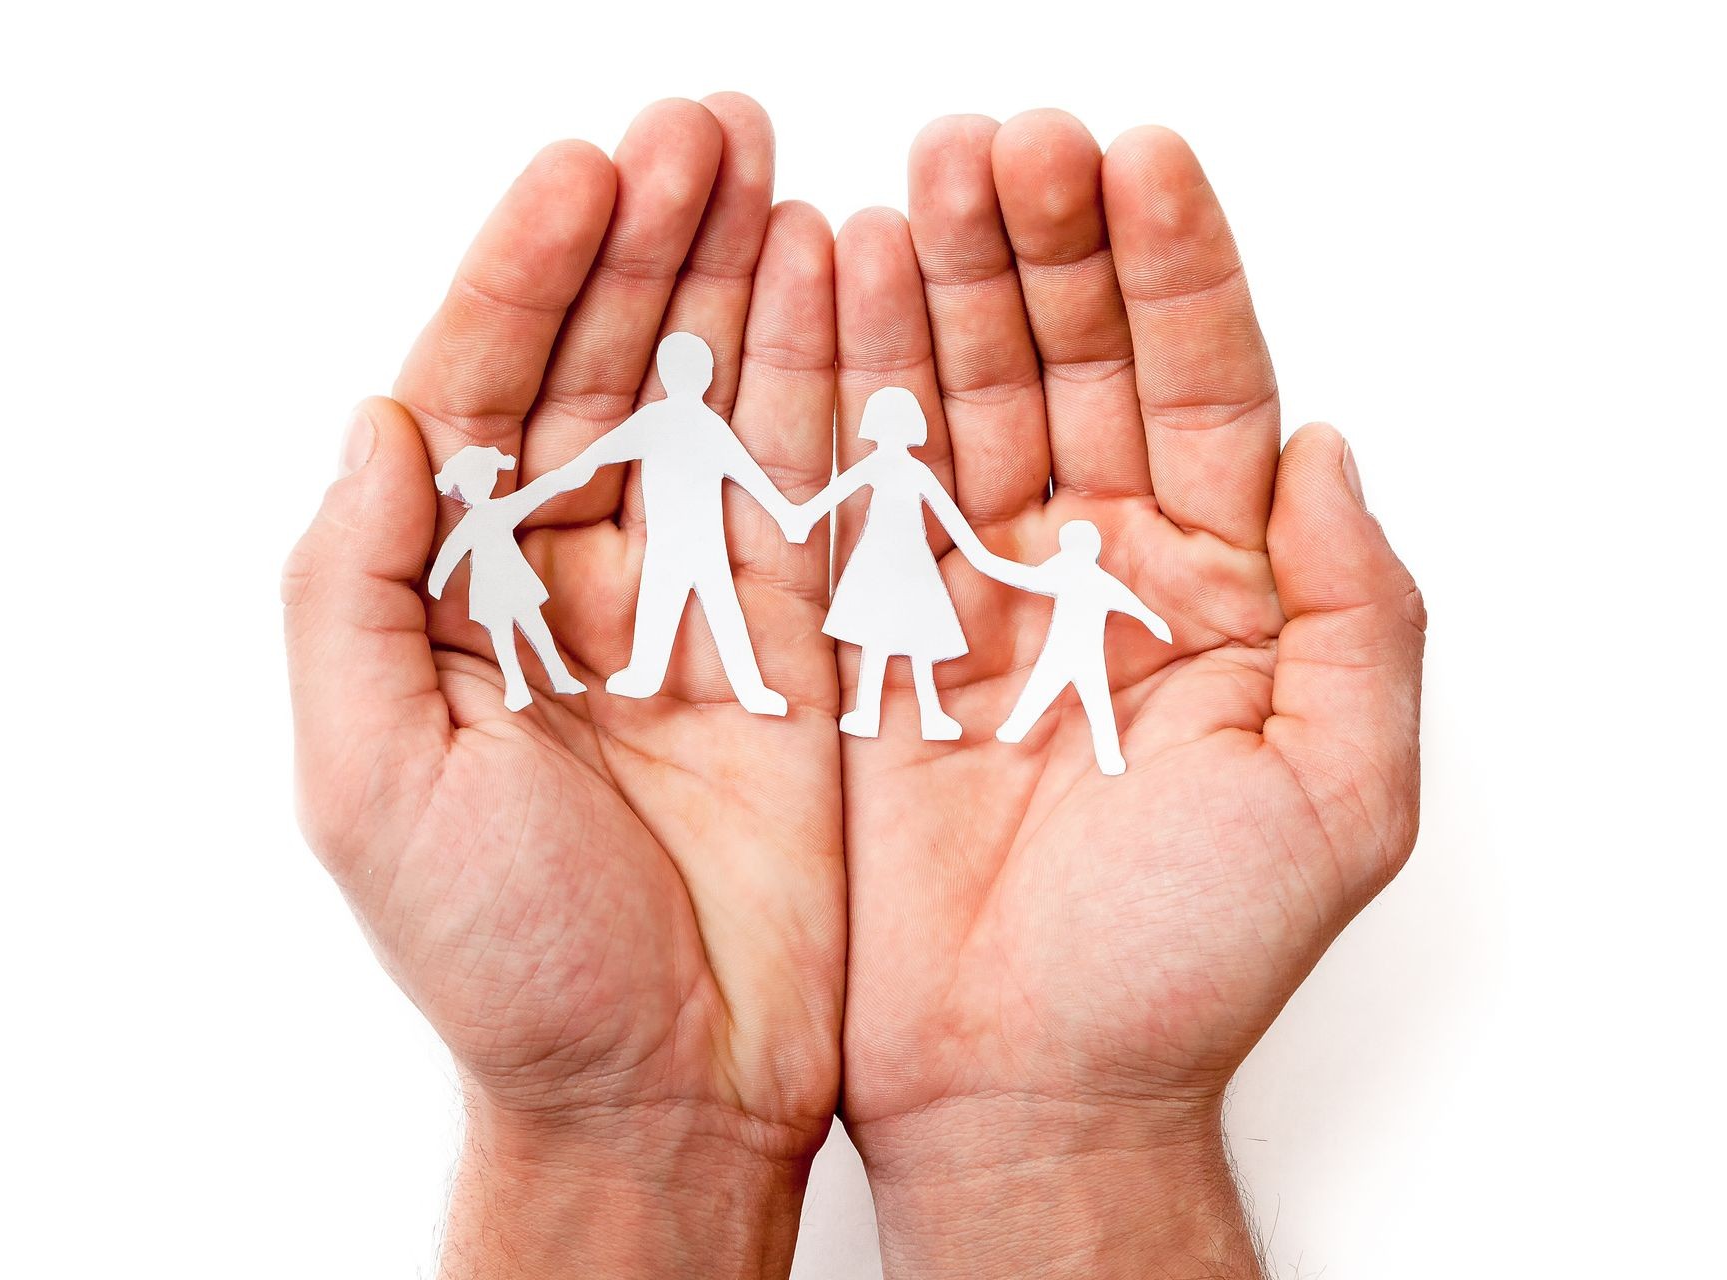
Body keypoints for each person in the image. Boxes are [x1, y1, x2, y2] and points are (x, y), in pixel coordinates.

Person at [283, 97, 1426, 1279]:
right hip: (732, 563)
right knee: (707, 612)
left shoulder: (837, 467)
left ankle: (902, 701)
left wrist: (1072, 1129)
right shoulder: (714, 440)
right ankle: (824, 689)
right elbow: (662, 473)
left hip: (798, 571)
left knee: (727, 613)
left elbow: (815, 506)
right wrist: (611, 1126)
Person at [548, 331, 801, 715]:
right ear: (703, 375)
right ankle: (659, 676)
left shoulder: (691, 424)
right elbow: (599, 454)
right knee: (695, 607)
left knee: (700, 607)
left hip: (693, 544)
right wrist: (785, 515)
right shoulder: (678, 422)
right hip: (684, 545)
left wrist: (786, 514)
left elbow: (749, 474)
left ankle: (741, 688)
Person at [787, 385, 998, 740]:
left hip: (895, 559)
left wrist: (801, 518)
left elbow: (831, 497)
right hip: (895, 558)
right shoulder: (906, 469)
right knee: (902, 640)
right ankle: (914, 715)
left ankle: (906, 715)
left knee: (887, 638)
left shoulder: (898, 468)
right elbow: (835, 495)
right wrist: (981, 556)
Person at [989, 519, 1172, 773]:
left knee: (1060, 695)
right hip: (1080, 655)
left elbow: (1023, 575)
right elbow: (1137, 608)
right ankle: (1106, 757)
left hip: (1070, 654)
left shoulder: (1068, 574)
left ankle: (1017, 730)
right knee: (1087, 703)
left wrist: (987, 561)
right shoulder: (1089, 578)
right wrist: (1154, 622)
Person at [425, 445, 586, 711]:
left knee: (537, 630)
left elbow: (532, 495)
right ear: (460, 488)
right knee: (503, 637)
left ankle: (559, 677)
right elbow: (451, 550)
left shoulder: (501, 509)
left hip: (514, 581)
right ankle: (518, 688)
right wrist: (436, 582)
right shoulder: (473, 521)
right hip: (490, 589)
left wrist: (556, 480)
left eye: (482, 477)